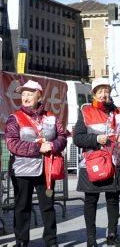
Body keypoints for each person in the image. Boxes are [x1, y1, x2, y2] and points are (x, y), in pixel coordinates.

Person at [5, 79, 67, 247]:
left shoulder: (51, 117)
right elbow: (12, 143)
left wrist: (53, 145)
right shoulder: (14, 118)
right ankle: (21, 241)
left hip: (46, 169)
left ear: (39, 96)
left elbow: (62, 136)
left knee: (47, 207)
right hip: (22, 170)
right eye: (23, 94)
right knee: (22, 207)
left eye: (30, 94)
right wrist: (38, 148)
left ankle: (51, 241)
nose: (25, 97)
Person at [73, 78, 120, 247]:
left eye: (106, 91)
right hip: (92, 164)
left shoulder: (118, 111)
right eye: (99, 91)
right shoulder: (86, 111)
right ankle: (91, 239)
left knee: (113, 199)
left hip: (115, 161)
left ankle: (112, 235)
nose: (103, 94)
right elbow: (77, 138)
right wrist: (96, 139)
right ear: (93, 94)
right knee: (91, 200)